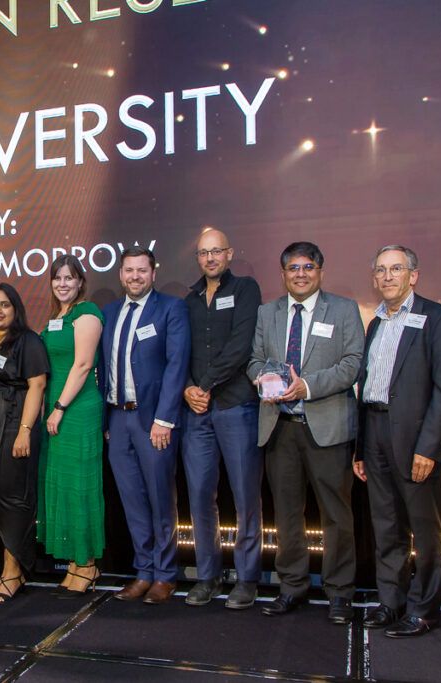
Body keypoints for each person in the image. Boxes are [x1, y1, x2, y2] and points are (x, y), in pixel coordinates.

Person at [247, 241, 364, 624]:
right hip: (279, 428)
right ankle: (292, 586)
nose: (301, 273)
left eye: (308, 266)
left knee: (336, 515)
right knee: (287, 515)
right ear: (283, 274)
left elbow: (352, 365)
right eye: (293, 268)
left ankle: (339, 592)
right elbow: (253, 361)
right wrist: (263, 381)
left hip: (327, 428)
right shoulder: (268, 312)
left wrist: (307, 387)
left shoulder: (344, 309)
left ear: (320, 271)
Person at [354, 245, 441, 637]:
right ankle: (391, 603)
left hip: (418, 440)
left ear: (413, 276)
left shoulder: (438, 319)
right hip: (377, 434)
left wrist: (429, 448)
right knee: (386, 528)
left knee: (425, 531)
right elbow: (367, 388)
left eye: (396, 269)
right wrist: (361, 447)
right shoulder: (375, 324)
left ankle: (424, 608)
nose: (387, 276)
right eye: (380, 269)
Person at [102, 247, 191, 604]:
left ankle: (166, 575)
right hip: (118, 419)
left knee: (159, 498)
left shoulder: (170, 308)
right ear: (120, 274)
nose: (135, 277)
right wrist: (106, 421)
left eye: (142, 270)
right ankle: (143, 571)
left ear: (153, 273)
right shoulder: (110, 313)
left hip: (153, 421)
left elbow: (176, 366)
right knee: (132, 501)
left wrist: (164, 419)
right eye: (129, 271)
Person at [181, 229, 263, 609]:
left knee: (246, 496)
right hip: (197, 411)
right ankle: (208, 576)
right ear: (197, 257)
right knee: (199, 496)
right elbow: (178, 351)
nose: (210, 258)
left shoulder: (246, 289)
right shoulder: (190, 298)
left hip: (236, 405)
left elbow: (241, 345)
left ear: (229, 253)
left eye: (216, 251)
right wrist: (186, 388)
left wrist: (206, 385)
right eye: (203, 252)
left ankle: (247, 579)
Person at [0, 283, 50, 603]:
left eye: (5, 304)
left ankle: (13, 572)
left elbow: (37, 386)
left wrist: (24, 431)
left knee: (14, 498)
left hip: (16, 423)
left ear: (16, 308)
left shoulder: (28, 341)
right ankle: (6, 566)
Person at [38, 255, 105, 597]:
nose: (63, 283)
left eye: (70, 278)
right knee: (63, 485)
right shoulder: (56, 318)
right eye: (57, 278)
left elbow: (82, 365)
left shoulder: (86, 312)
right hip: (56, 411)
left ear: (81, 282)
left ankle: (89, 564)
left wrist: (60, 407)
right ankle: (76, 563)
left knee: (81, 486)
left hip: (76, 409)